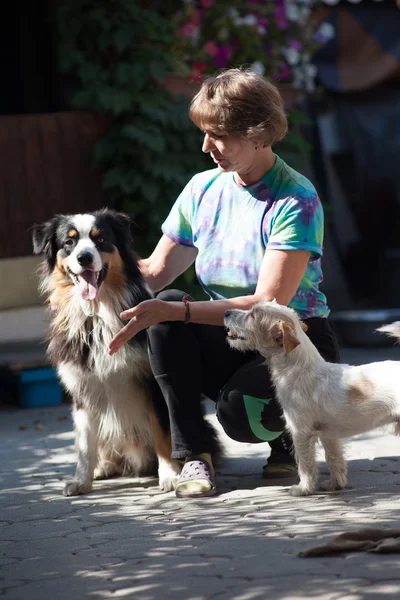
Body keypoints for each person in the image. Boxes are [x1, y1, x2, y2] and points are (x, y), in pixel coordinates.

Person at [108, 68, 340, 498]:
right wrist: (96, 266)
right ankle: (193, 456)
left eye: (218, 135)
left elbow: (269, 303)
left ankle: (288, 439)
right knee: (166, 312)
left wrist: (177, 311)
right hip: (232, 336)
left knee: (238, 413)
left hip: (293, 344)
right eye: (204, 133)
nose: (205, 147)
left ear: (258, 133)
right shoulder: (202, 189)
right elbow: (156, 272)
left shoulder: (296, 198)